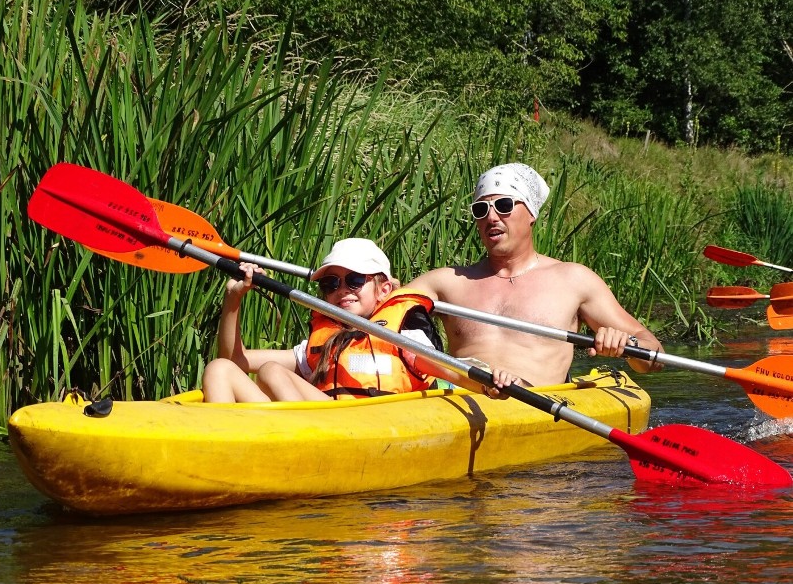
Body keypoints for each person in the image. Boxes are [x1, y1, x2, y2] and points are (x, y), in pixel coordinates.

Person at [406, 162, 664, 387]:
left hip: (537, 408)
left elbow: (653, 354)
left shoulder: (573, 280)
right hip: (465, 402)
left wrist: (626, 345)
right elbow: (384, 315)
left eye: (503, 205)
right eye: (480, 210)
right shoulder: (444, 283)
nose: (492, 217)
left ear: (531, 213)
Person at [202, 238, 467, 403]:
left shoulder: (404, 334)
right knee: (218, 369)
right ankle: (219, 450)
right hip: (325, 426)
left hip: (371, 432)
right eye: (331, 283)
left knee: (271, 371)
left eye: (354, 280)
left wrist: (490, 384)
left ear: (384, 289)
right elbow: (234, 360)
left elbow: (450, 372)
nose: (342, 290)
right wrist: (233, 298)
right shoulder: (324, 341)